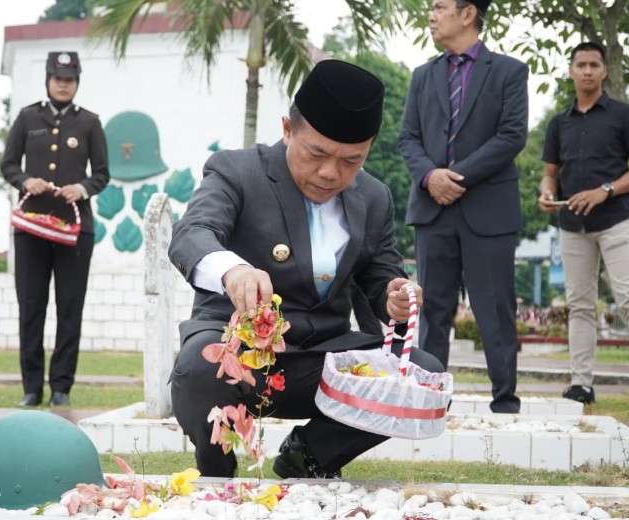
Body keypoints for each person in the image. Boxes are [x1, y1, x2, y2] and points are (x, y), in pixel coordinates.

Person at [168, 59, 444, 478]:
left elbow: (381, 278)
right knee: (197, 366)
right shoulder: (237, 170)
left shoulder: (374, 197)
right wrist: (233, 271)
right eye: (316, 153)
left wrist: (395, 298)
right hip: (240, 353)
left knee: (425, 377)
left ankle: (308, 456)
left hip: (323, 361)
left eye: (351, 160)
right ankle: (216, 469)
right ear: (287, 129)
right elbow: (193, 232)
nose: (331, 173)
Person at [399, 0, 528, 413]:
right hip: (431, 207)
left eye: (438, 7)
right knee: (432, 309)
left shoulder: (509, 71)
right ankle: (430, 398)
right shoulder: (422, 75)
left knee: (495, 307)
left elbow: (511, 136)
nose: (431, 16)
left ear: (468, 13)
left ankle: (505, 400)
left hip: (487, 209)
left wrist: (456, 177)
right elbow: (409, 138)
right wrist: (429, 176)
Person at [538, 41, 629, 410]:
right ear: (571, 70)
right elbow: (550, 175)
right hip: (571, 225)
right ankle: (581, 384)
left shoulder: (624, 115)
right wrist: (546, 194)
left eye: (595, 64)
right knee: (579, 305)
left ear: (605, 70)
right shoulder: (558, 123)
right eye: (581, 64)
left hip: (615, 222)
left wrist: (604, 191)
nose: (588, 71)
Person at [0, 51, 110, 407]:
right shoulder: (27, 116)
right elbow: (8, 164)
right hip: (31, 228)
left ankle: (61, 386)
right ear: (48, 78)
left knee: (69, 307)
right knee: (31, 307)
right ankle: (31, 387)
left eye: (70, 78)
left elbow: (102, 174)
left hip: (76, 231)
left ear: (77, 81)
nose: (64, 83)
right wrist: (25, 180)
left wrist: (83, 188)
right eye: (58, 77)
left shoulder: (91, 122)